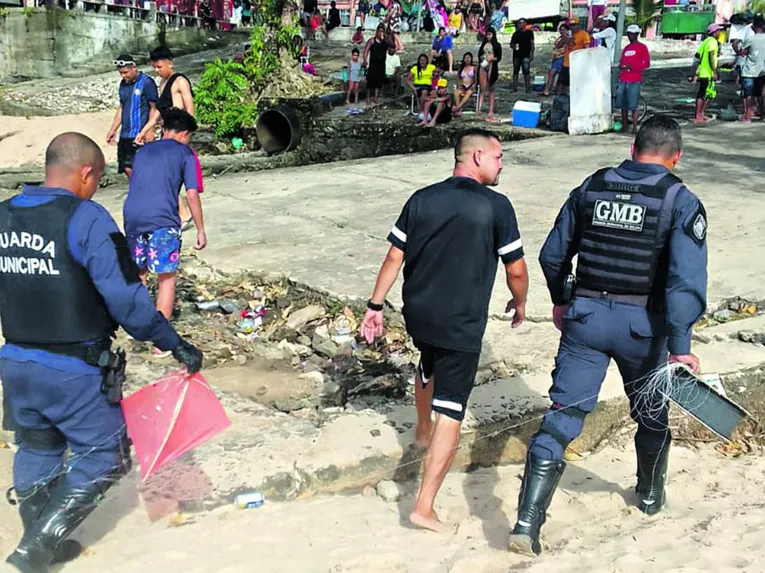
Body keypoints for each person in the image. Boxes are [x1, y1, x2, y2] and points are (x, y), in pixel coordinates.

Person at [1, 132, 203, 573]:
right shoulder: (87, 218)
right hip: (73, 367)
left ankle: (42, 542)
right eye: (96, 181)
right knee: (105, 455)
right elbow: (127, 301)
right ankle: (37, 546)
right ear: (86, 173)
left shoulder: (3, 216)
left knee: (37, 446)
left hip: (15, 363)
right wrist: (175, 343)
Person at [508, 115, 707, 557]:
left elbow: (553, 254)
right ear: (675, 157)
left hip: (586, 320)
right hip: (644, 328)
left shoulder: (592, 187)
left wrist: (562, 301)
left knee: (563, 415)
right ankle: (651, 497)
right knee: (651, 414)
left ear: (633, 149)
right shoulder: (680, 200)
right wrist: (681, 348)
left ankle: (527, 521)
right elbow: (684, 282)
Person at [360, 129, 528, 534]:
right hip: (461, 322)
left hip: (420, 314)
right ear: (474, 157)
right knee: (452, 412)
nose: (502, 163)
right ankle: (423, 507)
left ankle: (421, 429)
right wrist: (520, 302)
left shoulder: (422, 198)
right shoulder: (496, 207)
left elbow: (394, 255)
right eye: (497, 157)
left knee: (428, 359)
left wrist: (375, 306)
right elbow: (517, 269)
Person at [123, 109, 207, 345]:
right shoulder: (186, 153)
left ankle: (136, 331)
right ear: (184, 134)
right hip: (162, 220)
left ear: (163, 129)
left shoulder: (142, 152)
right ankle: (161, 342)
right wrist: (200, 229)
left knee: (139, 272)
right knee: (166, 276)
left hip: (133, 217)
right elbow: (191, 194)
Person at [135, 46, 196, 230]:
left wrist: (186, 135)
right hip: (165, 134)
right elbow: (157, 114)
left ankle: (184, 213)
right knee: (163, 174)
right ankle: (179, 212)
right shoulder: (162, 84)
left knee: (169, 175)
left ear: (170, 62)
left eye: (159, 66)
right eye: (154, 67)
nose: (157, 70)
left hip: (178, 134)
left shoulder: (180, 81)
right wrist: (144, 130)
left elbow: (190, 110)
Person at [106, 54, 158, 178]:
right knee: (125, 166)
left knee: (138, 167)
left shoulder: (146, 82)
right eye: (121, 73)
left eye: (125, 72)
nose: (124, 76)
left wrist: (149, 130)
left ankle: (144, 192)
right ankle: (139, 192)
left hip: (139, 134)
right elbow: (122, 107)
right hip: (125, 134)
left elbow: (154, 107)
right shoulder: (123, 84)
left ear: (134, 67)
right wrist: (113, 129)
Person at [617, 24, 651, 134]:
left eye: (633, 34)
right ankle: (625, 126)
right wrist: (621, 66)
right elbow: (622, 61)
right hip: (623, 78)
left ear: (637, 34)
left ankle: (635, 127)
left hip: (634, 79)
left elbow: (646, 64)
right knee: (623, 104)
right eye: (629, 34)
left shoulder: (642, 47)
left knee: (634, 104)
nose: (630, 36)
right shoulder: (626, 48)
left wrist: (632, 67)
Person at [690, 23, 721, 124]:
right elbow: (711, 56)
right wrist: (714, 71)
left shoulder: (705, 41)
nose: (720, 33)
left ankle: (701, 113)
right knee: (703, 94)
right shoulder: (712, 42)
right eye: (718, 31)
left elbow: (698, 56)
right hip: (708, 72)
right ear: (714, 33)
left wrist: (695, 72)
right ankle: (698, 114)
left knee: (708, 94)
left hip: (703, 72)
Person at [737, 15, 765, 123]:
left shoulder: (751, 39)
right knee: (760, 96)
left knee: (747, 95)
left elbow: (743, 52)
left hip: (749, 71)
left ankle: (747, 116)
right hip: (762, 71)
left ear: (753, 27)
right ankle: (763, 115)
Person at [558, 16, 590, 95]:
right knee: (561, 82)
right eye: (571, 25)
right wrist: (564, 38)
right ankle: (560, 98)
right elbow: (558, 46)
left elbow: (587, 49)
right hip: (566, 63)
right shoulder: (568, 34)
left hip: (576, 63)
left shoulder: (584, 35)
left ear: (578, 25)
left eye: (574, 25)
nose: (572, 27)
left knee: (575, 83)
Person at [478, 27, 502, 119]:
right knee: (482, 88)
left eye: (490, 34)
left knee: (491, 88)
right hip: (483, 65)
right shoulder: (484, 44)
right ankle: (479, 108)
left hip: (492, 65)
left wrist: (492, 59)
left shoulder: (497, 45)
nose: (488, 36)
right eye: (487, 34)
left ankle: (491, 110)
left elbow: (498, 57)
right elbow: (480, 54)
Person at [364, 25, 390, 105]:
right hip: (373, 64)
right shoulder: (372, 40)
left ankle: (376, 97)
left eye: (382, 31)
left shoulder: (385, 42)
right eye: (380, 31)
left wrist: (386, 38)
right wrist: (365, 60)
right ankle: (368, 97)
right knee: (370, 81)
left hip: (381, 64)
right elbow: (366, 50)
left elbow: (393, 46)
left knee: (379, 82)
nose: (381, 33)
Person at [407, 53, 438, 120]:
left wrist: (435, 76)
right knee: (424, 92)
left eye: (424, 60)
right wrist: (413, 88)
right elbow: (408, 80)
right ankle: (422, 111)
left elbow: (439, 72)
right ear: (419, 61)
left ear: (426, 61)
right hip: (419, 86)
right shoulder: (415, 68)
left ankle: (432, 111)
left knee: (434, 92)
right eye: (421, 60)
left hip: (429, 85)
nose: (422, 62)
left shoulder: (430, 67)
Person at [511, 18, 535, 93]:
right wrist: (513, 46)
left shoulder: (529, 33)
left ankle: (527, 88)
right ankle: (514, 87)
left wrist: (532, 53)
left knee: (526, 72)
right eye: (519, 23)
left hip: (526, 55)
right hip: (516, 55)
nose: (521, 24)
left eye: (523, 23)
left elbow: (532, 43)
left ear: (525, 24)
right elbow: (511, 43)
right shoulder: (515, 34)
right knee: (515, 72)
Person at [544, 24, 568, 96]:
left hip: (561, 58)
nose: (562, 31)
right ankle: (548, 90)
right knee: (552, 74)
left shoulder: (566, 38)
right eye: (561, 30)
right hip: (556, 58)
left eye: (563, 30)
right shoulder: (560, 37)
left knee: (555, 75)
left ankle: (552, 90)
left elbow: (559, 46)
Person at [453, 51, 476, 116]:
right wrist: (458, 85)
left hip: (470, 86)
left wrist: (474, 85)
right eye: (465, 58)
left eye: (468, 58)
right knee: (456, 92)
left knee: (468, 93)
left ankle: (458, 108)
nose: (467, 59)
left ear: (471, 59)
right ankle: (459, 109)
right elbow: (457, 78)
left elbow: (476, 78)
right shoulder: (461, 68)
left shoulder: (474, 68)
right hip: (463, 86)